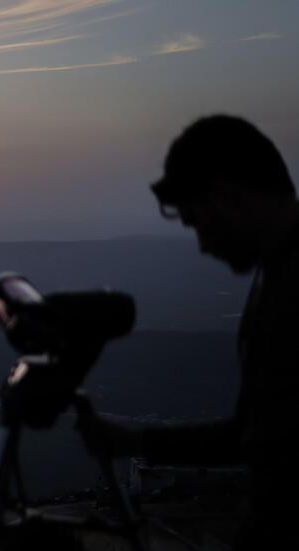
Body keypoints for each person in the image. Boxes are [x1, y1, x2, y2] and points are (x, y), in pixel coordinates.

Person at [78, 114, 299, 548]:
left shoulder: (288, 287)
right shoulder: (273, 280)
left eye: (197, 222)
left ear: (225, 196)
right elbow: (252, 433)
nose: (202, 244)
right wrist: (134, 440)